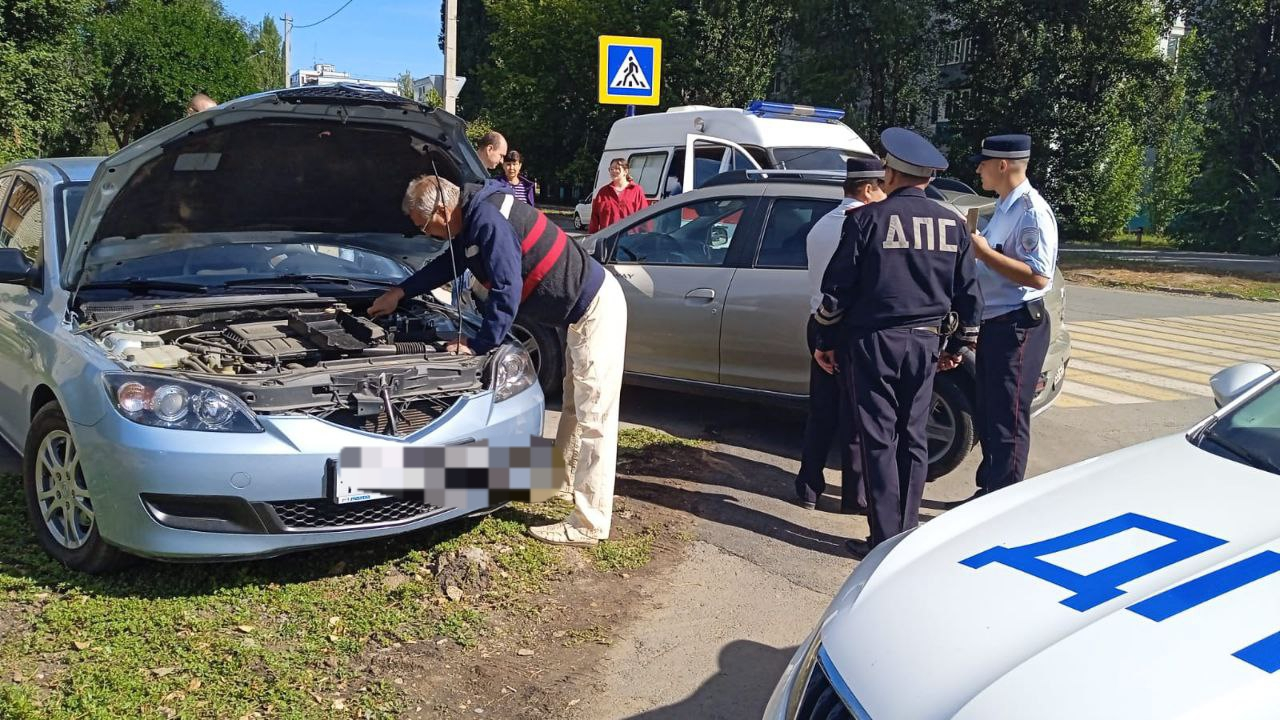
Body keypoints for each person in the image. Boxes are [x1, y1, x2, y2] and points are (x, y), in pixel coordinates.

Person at [368, 175, 627, 547]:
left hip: (596, 309)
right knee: (574, 405)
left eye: (426, 227)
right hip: (579, 313)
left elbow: (507, 287)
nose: (429, 234)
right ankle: (563, 483)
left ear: (443, 209)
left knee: (594, 417)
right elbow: (448, 265)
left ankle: (590, 522)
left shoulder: (487, 220)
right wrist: (401, 291)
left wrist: (478, 344)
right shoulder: (471, 217)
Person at [814, 128, 983, 554]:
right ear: (927, 177)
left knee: (879, 440)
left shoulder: (867, 219)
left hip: (874, 343)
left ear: (890, 173)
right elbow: (969, 294)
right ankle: (906, 534)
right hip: (927, 343)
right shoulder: (953, 224)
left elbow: (838, 292)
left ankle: (884, 539)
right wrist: (957, 345)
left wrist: (825, 336)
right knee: (914, 437)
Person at [963, 134, 1058, 497]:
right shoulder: (1004, 205)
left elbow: (1038, 275)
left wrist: (985, 254)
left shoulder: (1032, 211)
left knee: (1008, 419)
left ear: (1002, 165)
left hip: (1018, 325)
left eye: (983, 162)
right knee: (989, 413)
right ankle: (990, 487)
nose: (978, 169)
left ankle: (1003, 499)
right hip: (996, 322)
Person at [794, 156, 887, 512]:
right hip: (851, 329)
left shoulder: (820, 226)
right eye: (881, 188)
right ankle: (854, 496)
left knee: (821, 411)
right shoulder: (867, 225)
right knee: (856, 416)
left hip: (819, 323)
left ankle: (809, 486)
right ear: (867, 189)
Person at [589, 157, 649, 233]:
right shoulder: (603, 192)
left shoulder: (636, 191)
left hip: (630, 240)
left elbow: (644, 217)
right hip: (607, 240)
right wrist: (591, 238)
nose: (613, 171)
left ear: (625, 171)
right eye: (611, 169)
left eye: (617, 168)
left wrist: (645, 237)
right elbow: (594, 219)